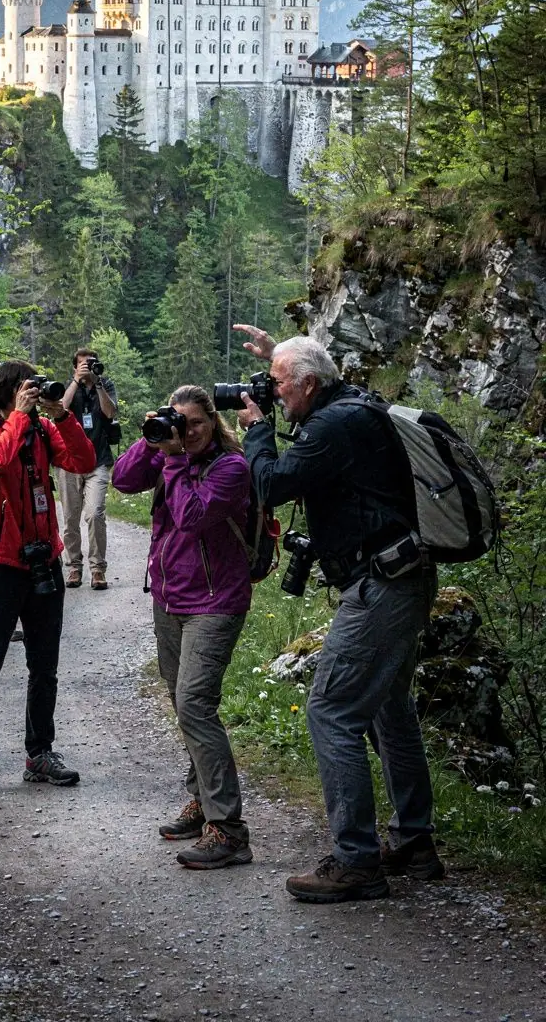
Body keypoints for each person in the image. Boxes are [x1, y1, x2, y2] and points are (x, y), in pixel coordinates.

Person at [234, 325, 443, 903]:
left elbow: (272, 484)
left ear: (307, 384)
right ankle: (413, 842)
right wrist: (280, 355)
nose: (272, 391)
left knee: (330, 710)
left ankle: (356, 861)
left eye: (278, 382)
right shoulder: (350, 405)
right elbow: (311, 375)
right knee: (389, 710)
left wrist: (257, 431)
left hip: (382, 587)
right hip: (401, 577)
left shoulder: (332, 425)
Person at [112, 385, 253, 870]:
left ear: (213, 422)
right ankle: (202, 799)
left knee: (194, 704)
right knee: (181, 701)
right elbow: (122, 480)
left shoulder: (230, 467)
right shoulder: (169, 451)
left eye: (195, 423)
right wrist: (151, 438)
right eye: (180, 422)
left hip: (215, 603)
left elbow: (192, 517)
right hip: (170, 599)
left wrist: (173, 458)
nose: (188, 432)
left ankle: (228, 830)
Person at [0, 361, 96, 797]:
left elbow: (83, 460)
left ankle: (40, 753)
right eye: (26, 388)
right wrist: (18, 417)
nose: (33, 394)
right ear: (8, 393)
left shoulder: (42, 430)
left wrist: (61, 416)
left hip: (43, 559)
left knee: (44, 667)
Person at [55, 348, 118, 590]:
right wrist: (76, 380)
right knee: (71, 517)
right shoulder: (68, 386)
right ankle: (74, 566)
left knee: (94, 513)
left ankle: (98, 568)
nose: (88, 367)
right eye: (83, 364)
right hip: (69, 462)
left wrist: (98, 383)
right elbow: (60, 408)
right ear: (75, 367)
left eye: (92, 363)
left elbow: (110, 412)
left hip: (98, 460)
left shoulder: (106, 384)